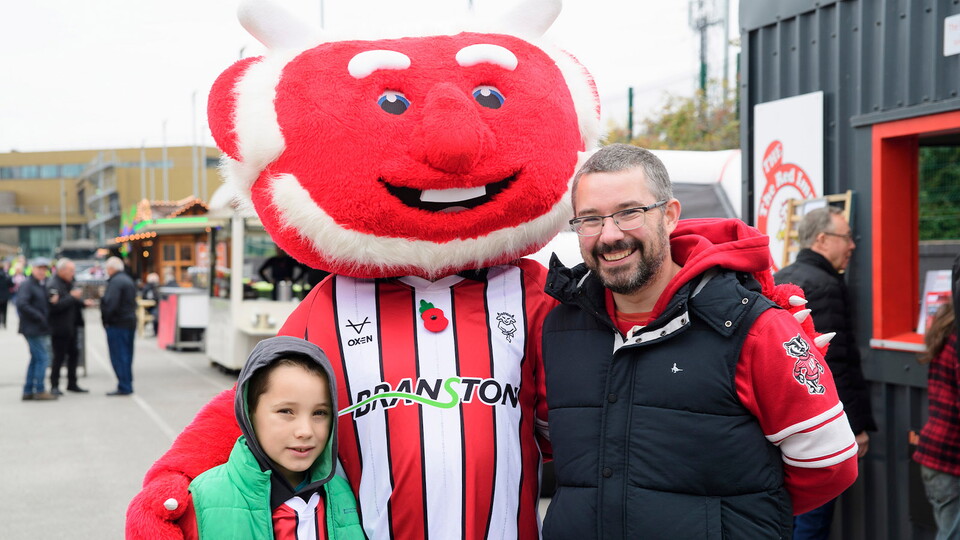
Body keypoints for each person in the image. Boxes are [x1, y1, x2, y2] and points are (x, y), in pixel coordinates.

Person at [540, 144, 859, 538]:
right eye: (590, 220)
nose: (609, 235)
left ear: (669, 215)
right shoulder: (558, 327)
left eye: (629, 213)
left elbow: (830, 464)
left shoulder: (756, 327)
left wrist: (731, 521)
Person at [178, 336, 364, 539]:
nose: (305, 431)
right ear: (249, 413)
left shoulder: (343, 493)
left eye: (319, 413)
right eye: (286, 411)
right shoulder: (203, 498)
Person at [774, 205, 877, 538]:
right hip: (814, 431)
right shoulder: (826, 286)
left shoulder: (783, 277)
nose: (852, 245)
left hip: (780, 426)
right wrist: (857, 427)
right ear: (821, 239)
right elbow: (833, 366)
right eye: (846, 237)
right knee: (811, 523)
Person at [48, 258, 92, 394]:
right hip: (59, 327)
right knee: (59, 357)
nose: (73, 273)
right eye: (70, 271)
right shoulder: (53, 284)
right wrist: (72, 297)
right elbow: (54, 307)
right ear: (62, 271)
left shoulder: (70, 282)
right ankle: (54, 385)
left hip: (72, 325)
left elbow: (74, 299)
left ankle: (72, 383)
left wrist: (83, 302)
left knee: (74, 354)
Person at [16, 256, 57, 401]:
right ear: (33, 269)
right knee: (43, 358)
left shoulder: (41, 284)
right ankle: (39, 389)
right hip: (33, 327)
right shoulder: (28, 285)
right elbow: (22, 304)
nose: (42, 271)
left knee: (36, 358)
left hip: (39, 327)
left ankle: (28, 390)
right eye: (39, 268)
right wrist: (38, 316)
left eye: (44, 269)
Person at [101, 255, 137, 396]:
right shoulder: (127, 280)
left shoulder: (115, 282)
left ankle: (124, 385)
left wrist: (106, 320)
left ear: (111, 268)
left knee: (119, 356)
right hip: (128, 322)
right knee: (127, 355)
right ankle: (127, 383)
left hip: (118, 324)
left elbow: (111, 304)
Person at [0, 260, 12, 328]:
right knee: (4, 310)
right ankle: (4, 323)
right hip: (5, 295)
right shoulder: (6, 275)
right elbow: (11, 284)